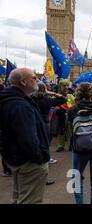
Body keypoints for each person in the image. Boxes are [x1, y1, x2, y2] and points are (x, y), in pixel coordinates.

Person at [0, 68, 49, 203]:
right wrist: (39, 158)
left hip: (15, 158)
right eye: (33, 78)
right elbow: (28, 139)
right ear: (23, 82)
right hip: (28, 164)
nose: (36, 80)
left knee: (18, 198)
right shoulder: (20, 105)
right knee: (29, 200)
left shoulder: (8, 99)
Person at [31, 82, 67, 185]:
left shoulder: (30, 99)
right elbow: (63, 99)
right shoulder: (46, 100)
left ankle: (34, 176)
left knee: (35, 147)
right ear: (44, 90)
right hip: (44, 124)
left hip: (32, 122)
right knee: (45, 148)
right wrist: (51, 93)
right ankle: (43, 178)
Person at [55, 79, 75, 152]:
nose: (65, 87)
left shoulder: (70, 96)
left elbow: (74, 105)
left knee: (70, 131)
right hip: (60, 116)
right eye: (64, 86)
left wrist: (70, 106)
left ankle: (70, 145)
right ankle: (61, 145)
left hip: (69, 116)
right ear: (60, 86)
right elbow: (53, 105)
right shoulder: (56, 96)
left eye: (67, 85)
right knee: (61, 130)